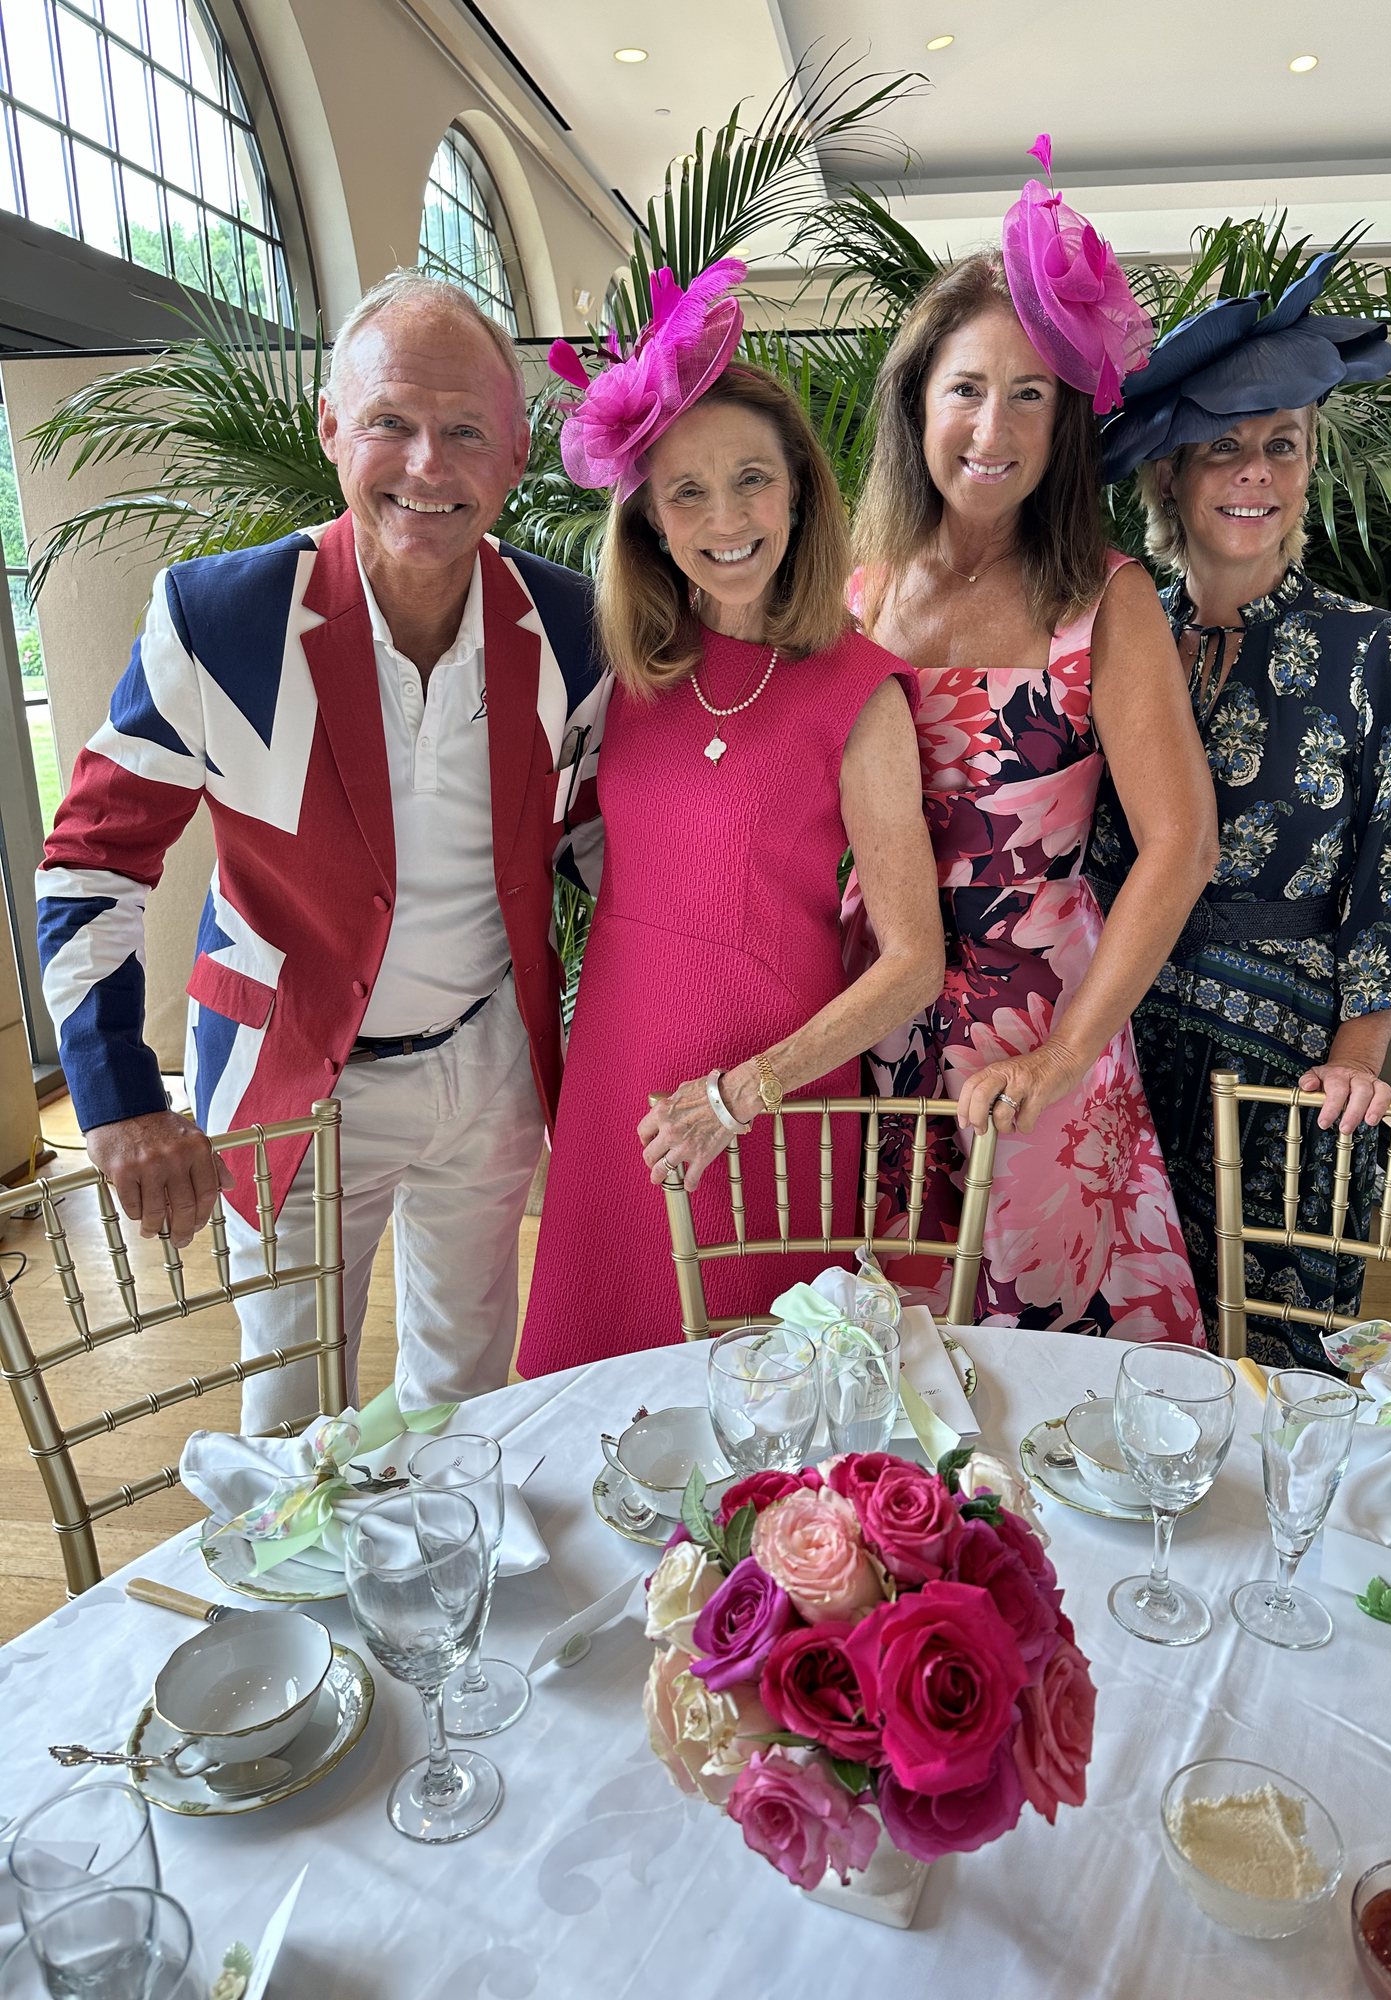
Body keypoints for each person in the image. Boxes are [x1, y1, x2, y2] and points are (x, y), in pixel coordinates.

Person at [37, 272, 608, 1427]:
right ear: (332, 427)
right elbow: (92, 858)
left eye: (463, 432)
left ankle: (443, 1597)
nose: (427, 465)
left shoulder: (574, 624)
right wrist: (115, 1094)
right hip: (294, 1073)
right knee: (293, 1419)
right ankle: (300, 1616)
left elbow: (611, 850)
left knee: (465, 1396)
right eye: (391, 421)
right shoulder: (221, 618)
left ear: (514, 453)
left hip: (489, 1060)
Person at [517, 262, 944, 1374]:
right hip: (620, 1076)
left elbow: (914, 961)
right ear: (648, 518)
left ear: (799, 488)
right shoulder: (621, 670)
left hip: (767, 1113)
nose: (724, 519)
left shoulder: (861, 689)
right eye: (685, 492)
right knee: (595, 1401)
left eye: (751, 479)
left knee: (756, 1420)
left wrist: (737, 1094)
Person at [844, 144, 1218, 1340]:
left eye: (1029, 393)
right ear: (917, 403)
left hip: (1045, 1016)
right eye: (965, 388)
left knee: (1062, 1353)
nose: (991, 426)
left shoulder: (1105, 602)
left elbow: (1181, 845)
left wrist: (1064, 1055)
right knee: (895, 1362)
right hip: (877, 1012)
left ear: (1065, 421)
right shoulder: (858, 595)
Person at [1091, 252, 1391, 1365]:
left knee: (1283, 1374)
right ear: (1170, 476)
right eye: (1224, 446)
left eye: (1281, 446)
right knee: (1127, 1356)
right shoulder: (1115, 630)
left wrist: (1357, 1059)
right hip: (1128, 1046)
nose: (1256, 473)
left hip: (1291, 1065)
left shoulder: (1368, 645)